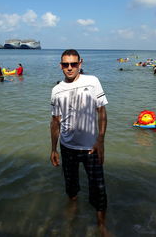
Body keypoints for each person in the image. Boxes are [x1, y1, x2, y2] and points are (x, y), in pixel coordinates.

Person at [50, 49, 108, 229]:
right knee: (71, 184)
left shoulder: (92, 82)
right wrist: (53, 149)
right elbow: (55, 122)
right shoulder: (56, 90)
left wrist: (100, 140)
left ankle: (101, 226)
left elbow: (102, 112)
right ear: (61, 66)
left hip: (91, 147)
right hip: (67, 147)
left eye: (73, 64)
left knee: (98, 188)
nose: (69, 68)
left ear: (80, 64)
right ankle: (73, 207)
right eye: (65, 64)